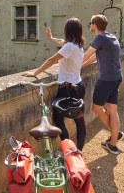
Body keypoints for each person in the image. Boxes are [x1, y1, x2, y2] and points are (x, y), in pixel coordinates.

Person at [22, 18, 87, 150]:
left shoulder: (69, 47)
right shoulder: (78, 46)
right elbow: (61, 42)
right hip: (78, 86)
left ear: (67, 31)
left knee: (58, 119)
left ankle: (68, 150)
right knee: (79, 120)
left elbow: (51, 60)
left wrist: (35, 73)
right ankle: (78, 151)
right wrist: (51, 38)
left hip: (67, 89)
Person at [82, 14, 124, 155]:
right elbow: (95, 57)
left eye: (91, 23)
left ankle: (114, 134)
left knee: (96, 107)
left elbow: (87, 54)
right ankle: (112, 144)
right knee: (112, 110)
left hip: (106, 79)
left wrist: (73, 65)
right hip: (117, 77)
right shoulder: (111, 37)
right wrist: (82, 65)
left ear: (94, 25)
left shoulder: (99, 38)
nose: (90, 25)